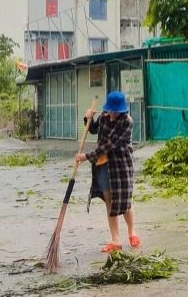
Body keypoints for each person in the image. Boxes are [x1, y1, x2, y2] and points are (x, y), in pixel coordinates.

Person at [77, 91, 139, 253]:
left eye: (115, 111)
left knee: (124, 201)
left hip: (121, 164)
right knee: (109, 201)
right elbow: (93, 130)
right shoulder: (104, 116)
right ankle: (115, 239)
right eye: (110, 110)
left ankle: (132, 231)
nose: (111, 114)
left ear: (122, 110)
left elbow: (110, 145)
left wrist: (86, 156)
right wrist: (88, 118)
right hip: (103, 164)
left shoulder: (127, 122)